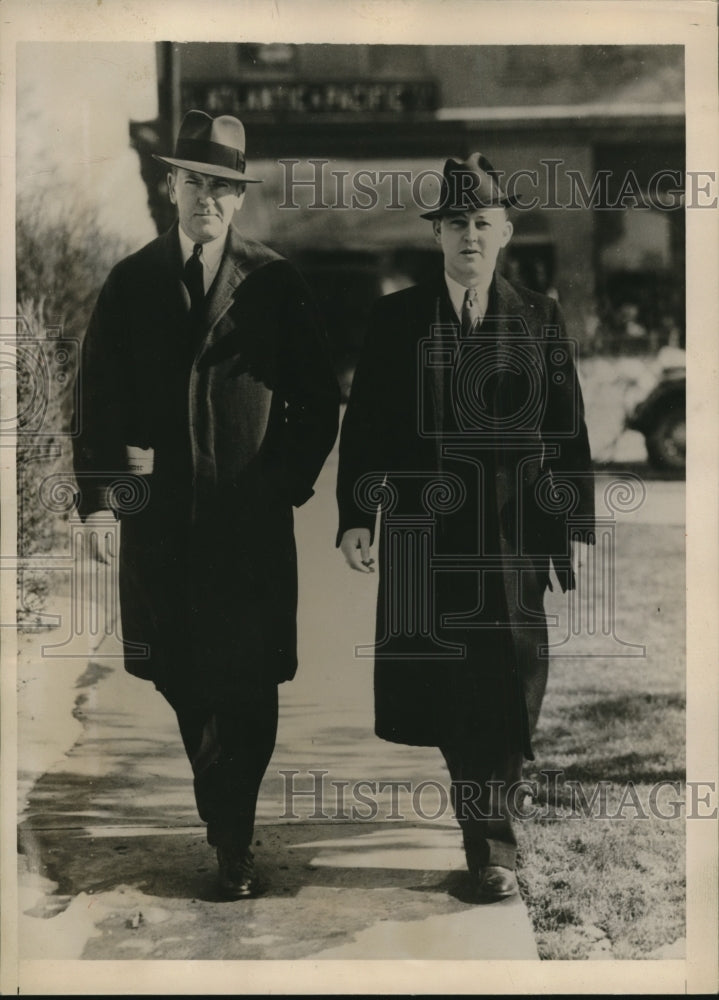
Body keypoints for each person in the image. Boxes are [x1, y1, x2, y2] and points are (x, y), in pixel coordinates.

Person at [73, 110, 339, 899]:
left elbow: (317, 401)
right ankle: (226, 819)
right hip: (162, 529)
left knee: (248, 683)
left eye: (223, 188)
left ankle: (232, 835)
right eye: (195, 183)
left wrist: (279, 484)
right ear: (170, 187)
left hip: (248, 531)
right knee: (182, 674)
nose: (208, 201)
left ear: (239, 199)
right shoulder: (132, 282)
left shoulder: (272, 282)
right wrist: (100, 504)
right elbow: (97, 403)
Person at [336, 153, 594, 902]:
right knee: (447, 688)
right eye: (455, 224)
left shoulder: (538, 316)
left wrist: (571, 516)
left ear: (505, 232)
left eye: (481, 223)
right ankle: (486, 843)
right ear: (438, 237)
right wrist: (358, 516)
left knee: (512, 682)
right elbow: (369, 432)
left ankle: (496, 841)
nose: (469, 237)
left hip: (512, 535)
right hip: (423, 536)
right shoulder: (396, 319)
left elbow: (566, 426)